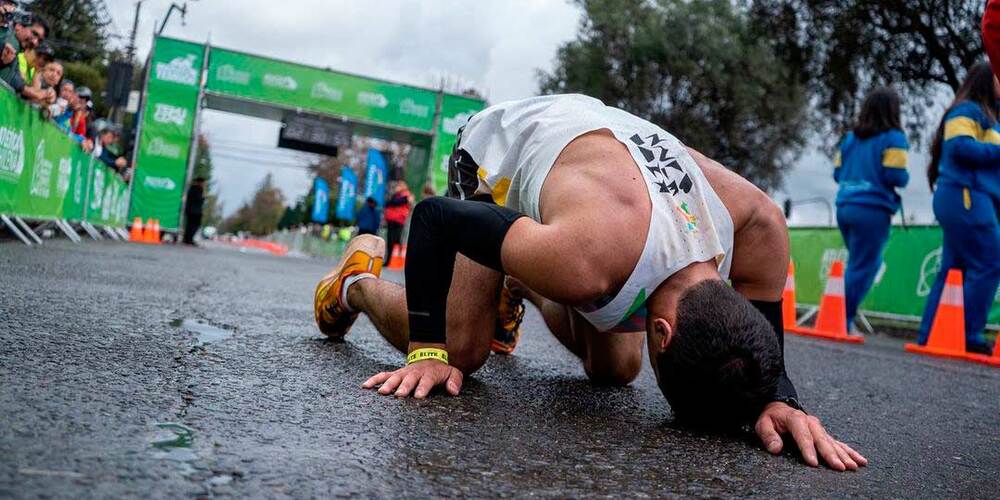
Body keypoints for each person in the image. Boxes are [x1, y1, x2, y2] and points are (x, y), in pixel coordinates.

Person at [314, 94, 867, 471]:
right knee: (463, 348)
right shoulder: (586, 257)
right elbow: (433, 218)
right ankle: (354, 282)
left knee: (615, 369)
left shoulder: (754, 226)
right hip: (497, 155)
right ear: (663, 332)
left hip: (597, 163)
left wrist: (778, 397)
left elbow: (765, 242)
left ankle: (519, 271)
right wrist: (425, 349)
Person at [918, 62, 1000, 355]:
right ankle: (969, 335)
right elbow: (960, 148)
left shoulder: (988, 117)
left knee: (952, 269)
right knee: (990, 261)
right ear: (984, 81)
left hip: (967, 198)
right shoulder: (967, 110)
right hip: (965, 197)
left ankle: (932, 335)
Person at [833, 86, 909, 330]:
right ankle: (840, 318)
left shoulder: (850, 139)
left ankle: (839, 316)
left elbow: (837, 173)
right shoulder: (894, 138)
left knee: (858, 263)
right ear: (893, 111)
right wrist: (905, 177)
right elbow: (896, 176)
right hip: (872, 209)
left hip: (844, 206)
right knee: (866, 265)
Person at [0, 12, 50, 103]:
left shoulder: (17, 52)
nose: (35, 42)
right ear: (19, 26)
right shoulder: (9, 39)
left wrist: (42, 95)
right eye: (34, 34)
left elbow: (16, 81)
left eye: (40, 40)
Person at [383, 181, 413, 261]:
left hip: (398, 220)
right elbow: (388, 203)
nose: (397, 187)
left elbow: (396, 202)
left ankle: (396, 259)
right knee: (390, 240)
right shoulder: (395, 195)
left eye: (399, 185)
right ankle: (389, 259)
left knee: (396, 239)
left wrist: (392, 201)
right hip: (391, 219)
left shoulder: (406, 195)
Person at [183, 177, 206, 246]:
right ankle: (189, 239)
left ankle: (187, 239)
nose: (203, 184)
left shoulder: (192, 189)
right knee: (194, 226)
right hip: (195, 211)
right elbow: (198, 200)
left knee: (189, 225)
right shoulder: (197, 189)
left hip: (191, 210)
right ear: (200, 182)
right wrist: (203, 198)